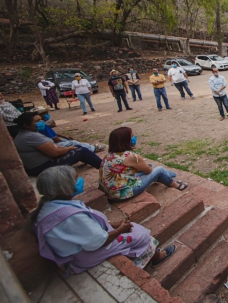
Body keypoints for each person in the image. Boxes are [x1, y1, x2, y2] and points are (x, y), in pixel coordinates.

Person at [29, 166, 177, 275]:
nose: (80, 181)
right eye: (75, 180)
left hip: (82, 245)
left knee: (133, 229)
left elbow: (85, 228)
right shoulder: (70, 217)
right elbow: (96, 241)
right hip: (85, 254)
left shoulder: (49, 207)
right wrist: (119, 230)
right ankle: (155, 258)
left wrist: (112, 225)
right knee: (141, 233)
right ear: (65, 189)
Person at [100, 127, 188, 201]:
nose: (134, 138)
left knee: (152, 167)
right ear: (126, 140)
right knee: (159, 169)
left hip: (110, 191)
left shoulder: (109, 155)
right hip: (123, 193)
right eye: (131, 136)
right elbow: (148, 171)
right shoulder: (132, 157)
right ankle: (174, 184)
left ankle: (170, 178)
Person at [13, 112, 102, 176]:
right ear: (26, 125)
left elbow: (53, 146)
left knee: (77, 147)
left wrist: (66, 148)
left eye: (41, 119)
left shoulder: (26, 134)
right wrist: (68, 149)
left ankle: (93, 161)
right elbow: (55, 153)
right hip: (42, 167)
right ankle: (103, 166)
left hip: (37, 166)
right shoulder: (31, 137)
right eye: (37, 121)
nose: (41, 122)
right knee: (81, 151)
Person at [37, 118, 105, 153]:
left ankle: (90, 147)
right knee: (73, 142)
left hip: (54, 142)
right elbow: (55, 138)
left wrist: (64, 137)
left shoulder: (42, 125)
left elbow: (54, 134)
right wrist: (64, 140)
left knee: (73, 142)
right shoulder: (42, 126)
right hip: (54, 143)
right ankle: (93, 148)